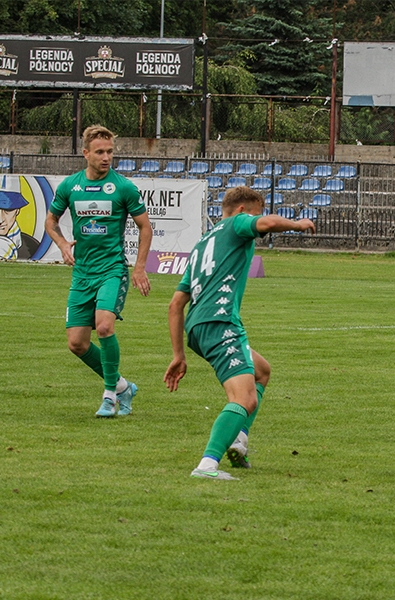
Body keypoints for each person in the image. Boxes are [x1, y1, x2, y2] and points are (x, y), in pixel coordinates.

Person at [164, 186, 316, 480]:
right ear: (243, 211)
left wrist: (178, 354)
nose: (255, 228)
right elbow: (269, 223)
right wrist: (298, 224)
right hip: (219, 321)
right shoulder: (236, 224)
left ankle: (238, 441)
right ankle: (207, 465)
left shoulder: (201, 245)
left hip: (198, 326)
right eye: (254, 216)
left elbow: (175, 305)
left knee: (261, 371)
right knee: (244, 398)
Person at [45, 125, 152, 417]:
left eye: (110, 152)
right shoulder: (71, 186)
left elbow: (145, 227)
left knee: (104, 326)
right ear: (86, 153)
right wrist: (63, 243)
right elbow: (50, 220)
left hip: (111, 270)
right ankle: (122, 386)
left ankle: (109, 396)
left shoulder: (123, 187)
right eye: (100, 152)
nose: (106, 157)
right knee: (77, 343)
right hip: (82, 274)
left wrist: (139, 268)